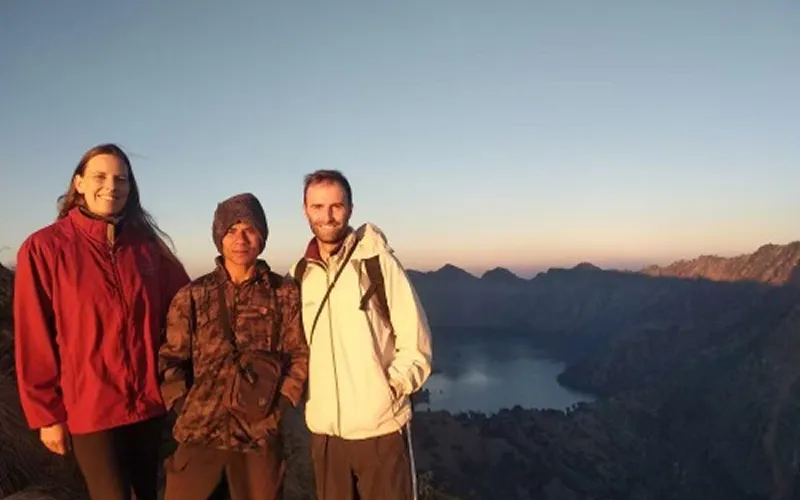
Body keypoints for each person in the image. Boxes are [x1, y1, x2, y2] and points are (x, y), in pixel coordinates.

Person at [13, 143, 191, 500]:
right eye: (100, 176)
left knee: (147, 493)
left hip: (148, 403)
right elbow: (34, 336)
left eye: (121, 178)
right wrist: (47, 415)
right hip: (89, 408)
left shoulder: (147, 249)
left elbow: (188, 305)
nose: (111, 185)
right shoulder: (44, 248)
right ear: (78, 183)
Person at [290, 170, 433, 500]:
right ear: (305, 210)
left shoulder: (377, 263)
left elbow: (416, 341)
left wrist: (391, 389)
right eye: (318, 206)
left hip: (380, 432)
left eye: (336, 206)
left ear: (351, 208)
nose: (327, 216)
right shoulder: (300, 275)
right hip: (326, 435)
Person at [159, 192, 309, 500]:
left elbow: (299, 355)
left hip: (258, 439)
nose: (240, 239)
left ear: (262, 237)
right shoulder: (193, 296)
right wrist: (184, 407)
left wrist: (278, 410)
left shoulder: (284, 293)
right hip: (198, 437)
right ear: (219, 237)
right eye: (231, 230)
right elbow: (170, 360)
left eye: (250, 230)